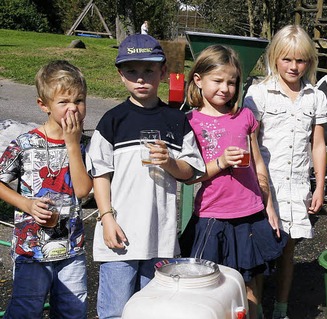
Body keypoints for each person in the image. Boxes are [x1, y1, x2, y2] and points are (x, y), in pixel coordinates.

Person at [85, 34, 205, 318]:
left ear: (163, 72)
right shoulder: (112, 121)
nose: (141, 79)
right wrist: (106, 218)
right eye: (132, 71)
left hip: (159, 238)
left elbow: (191, 173)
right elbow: (100, 173)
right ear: (120, 75)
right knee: (115, 311)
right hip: (119, 237)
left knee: (152, 311)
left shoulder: (176, 121)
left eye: (149, 71)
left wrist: (170, 162)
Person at [183, 44, 287, 319]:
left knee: (249, 283)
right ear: (198, 80)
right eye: (217, 81)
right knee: (208, 284)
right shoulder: (190, 122)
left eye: (231, 82)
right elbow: (190, 174)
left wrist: (269, 205)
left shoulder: (244, 117)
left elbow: (258, 163)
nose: (225, 88)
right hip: (212, 215)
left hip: (250, 214)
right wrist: (221, 162)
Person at [244, 24, 327, 319]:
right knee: (260, 252)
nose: (294, 67)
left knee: (288, 252)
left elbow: (317, 145)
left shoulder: (315, 96)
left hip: (297, 187)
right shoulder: (258, 94)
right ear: (275, 57)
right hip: (265, 185)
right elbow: (250, 141)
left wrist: (319, 187)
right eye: (287, 59)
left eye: (300, 60)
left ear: (309, 61)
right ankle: (257, 310)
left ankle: (281, 308)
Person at [0, 60, 92, 318]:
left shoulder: (86, 145)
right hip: (31, 250)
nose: (73, 108)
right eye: (64, 102)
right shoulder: (26, 143)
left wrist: (72, 144)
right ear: (44, 105)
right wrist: (25, 204)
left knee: (73, 310)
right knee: (26, 310)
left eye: (80, 100)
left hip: (72, 249)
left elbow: (84, 191)